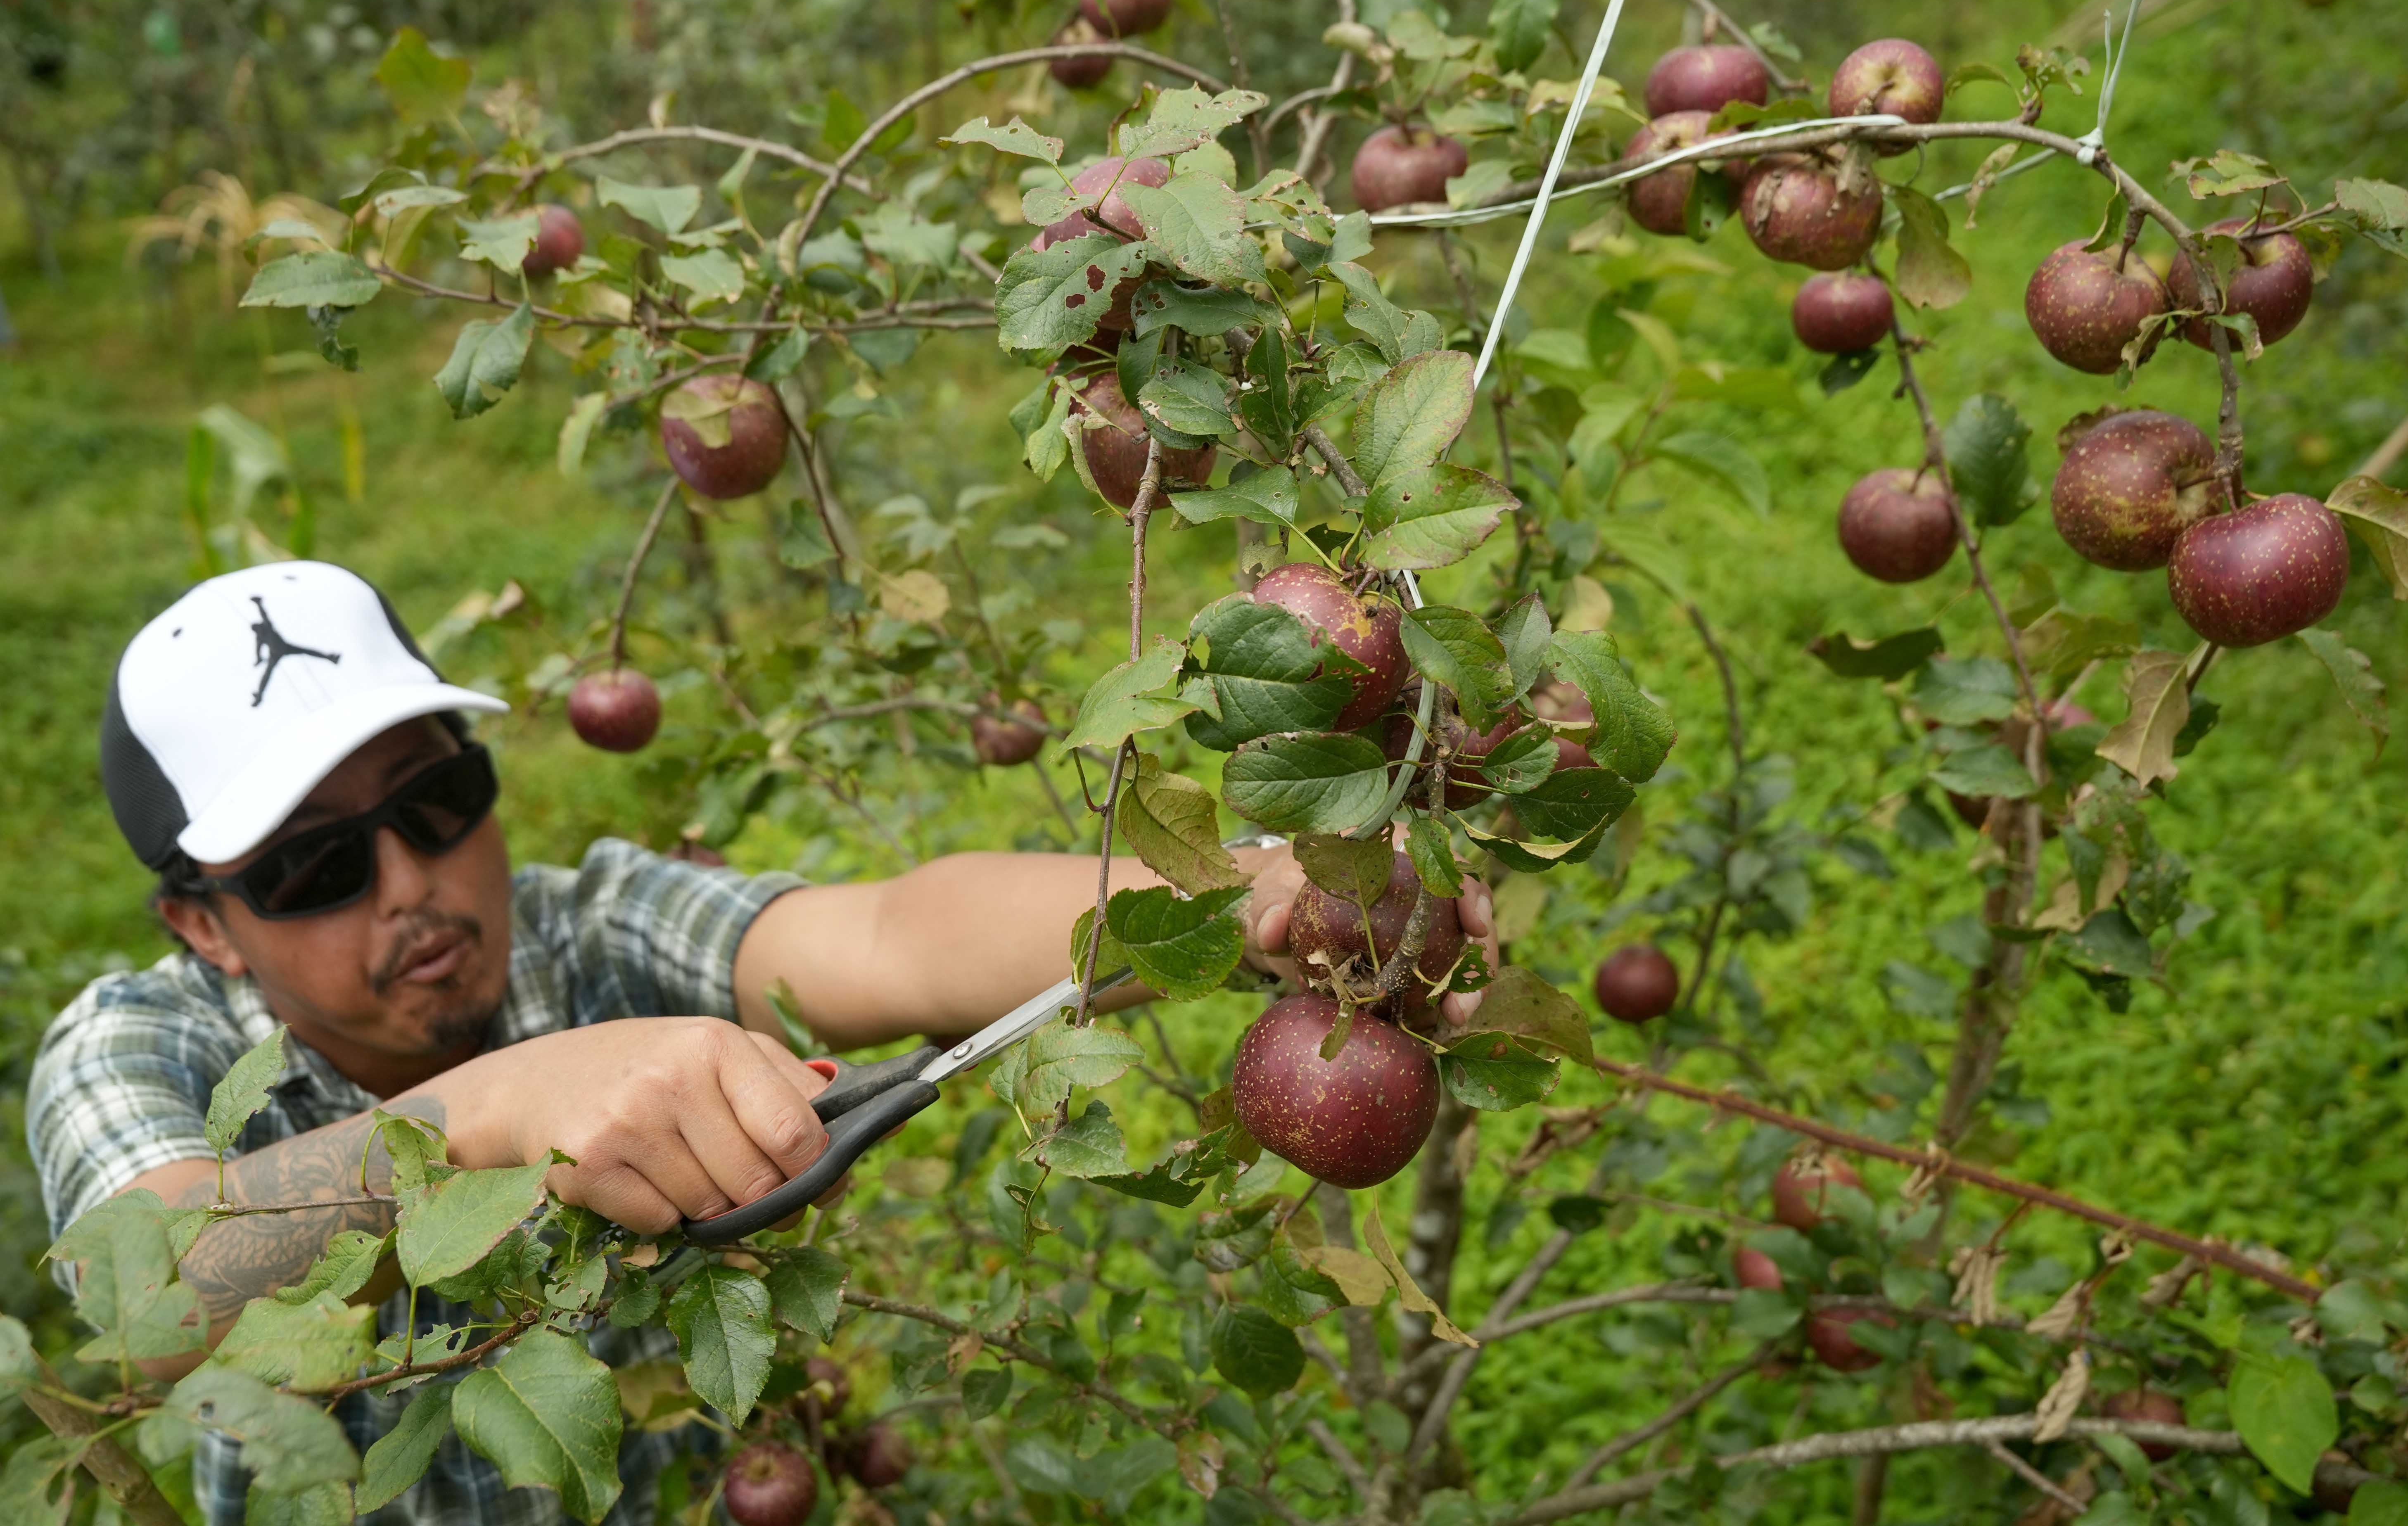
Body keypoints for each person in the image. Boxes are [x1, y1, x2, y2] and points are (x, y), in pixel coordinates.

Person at [30, 559, 1493, 1525]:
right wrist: (494, 1111)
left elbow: (889, 936)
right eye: (314, 866)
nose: (412, 882)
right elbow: (145, 1295)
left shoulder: (586, 925)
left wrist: (1246, 895)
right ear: (204, 925)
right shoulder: (132, 1045)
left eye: (437, 798)